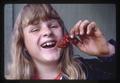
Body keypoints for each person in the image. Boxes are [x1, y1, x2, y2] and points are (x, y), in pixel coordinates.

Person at [5, 4, 116, 80]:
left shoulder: (89, 71)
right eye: (35, 29)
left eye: (53, 26)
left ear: (63, 34)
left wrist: (108, 51)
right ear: (23, 44)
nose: (47, 32)